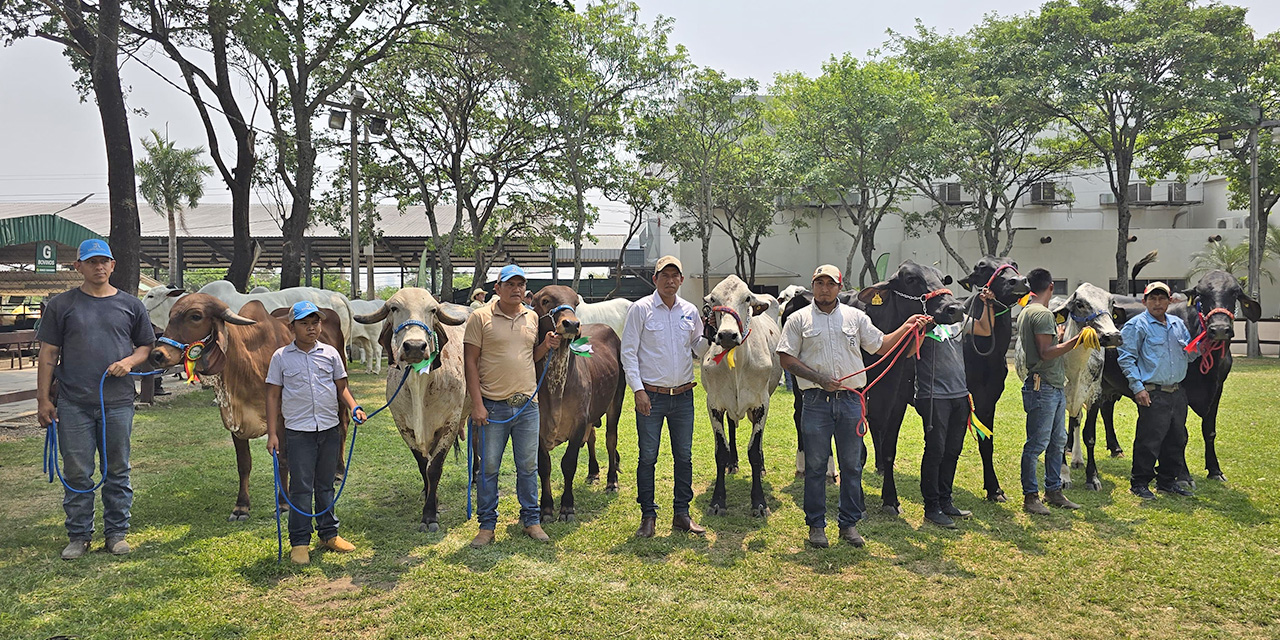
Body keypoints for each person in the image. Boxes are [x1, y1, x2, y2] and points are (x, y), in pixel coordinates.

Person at [777, 265, 929, 548]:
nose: (824, 288)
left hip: (850, 401)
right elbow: (786, 359)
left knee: (851, 466)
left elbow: (881, 346)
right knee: (816, 467)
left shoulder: (857, 317)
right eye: (819, 283)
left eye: (830, 284)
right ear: (812, 286)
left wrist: (908, 328)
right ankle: (816, 526)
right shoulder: (798, 320)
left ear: (839, 286)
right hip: (815, 402)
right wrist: (818, 378)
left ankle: (848, 524)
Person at [36, 239, 155, 560]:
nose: (99, 267)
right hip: (73, 402)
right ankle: (79, 535)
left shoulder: (132, 305)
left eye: (104, 261)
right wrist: (43, 399)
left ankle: (116, 533)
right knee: (77, 471)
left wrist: (129, 362)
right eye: (91, 262)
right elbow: (48, 353)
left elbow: (145, 346)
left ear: (113, 265)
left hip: (116, 403)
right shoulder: (62, 305)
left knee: (118, 469)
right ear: (78, 267)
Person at [464, 264, 560, 548]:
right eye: (510, 284)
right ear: (498, 288)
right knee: (489, 467)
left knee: (528, 466)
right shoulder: (480, 318)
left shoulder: (531, 316)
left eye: (520, 284)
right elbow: (470, 362)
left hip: (527, 405)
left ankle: (531, 520)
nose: (516, 289)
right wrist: (477, 404)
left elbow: (532, 356)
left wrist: (546, 345)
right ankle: (486, 525)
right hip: (493, 406)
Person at [265, 301, 367, 565]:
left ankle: (329, 534)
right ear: (292, 327)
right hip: (298, 432)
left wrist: (354, 407)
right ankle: (299, 542)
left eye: (315, 323)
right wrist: (272, 434)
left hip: (329, 429)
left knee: (325, 485)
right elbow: (273, 396)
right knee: (301, 487)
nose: (311, 329)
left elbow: (341, 387)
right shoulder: (281, 358)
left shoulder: (331, 354)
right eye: (304, 324)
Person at [620, 256, 712, 538]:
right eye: (665, 276)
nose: (670, 280)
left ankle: (681, 514)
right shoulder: (641, 310)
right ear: (655, 280)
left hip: (684, 396)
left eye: (675, 276)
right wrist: (638, 390)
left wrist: (710, 332)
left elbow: (698, 348)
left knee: (683, 456)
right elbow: (629, 353)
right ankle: (648, 516)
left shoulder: (690, 311)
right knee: (648, 457)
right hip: (652, 397)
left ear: (682, 280)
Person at [914, 288, 995, 528]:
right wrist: (923, 327)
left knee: (953, 450)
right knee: (936, 450)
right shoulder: (923, 326)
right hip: (933, 397)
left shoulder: (957, 325)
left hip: (960, 395)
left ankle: (945, 500)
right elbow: (910, 350)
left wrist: (987, 305)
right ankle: (931, 507)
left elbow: (984, 328)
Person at [1119, 282, 1200, 500]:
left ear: (1169, 301)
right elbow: (1126, 358)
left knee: (1177, 438)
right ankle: (1140, 483)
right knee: (1149, 439)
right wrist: (1138, 388)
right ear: (1144, 302)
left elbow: (1188, 354)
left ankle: (1167, 481)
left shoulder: (1177, 324)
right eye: (1152, 299)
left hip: (1177, 392)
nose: (1157, 303)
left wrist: (1203, 345)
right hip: (1153, 392)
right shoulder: (1137, 325)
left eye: (1162, 298)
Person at [1016, 268, 1084, 516]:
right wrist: (1077, 341)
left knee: (1057, 442)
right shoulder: (1043, 314)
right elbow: (1045, 352)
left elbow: (1044, 345)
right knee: (1037, 444)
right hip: (1043, 386)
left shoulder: (1027, 311)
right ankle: (1031, 496)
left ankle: (1053, 490)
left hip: (1049, 386)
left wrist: (1060, 338)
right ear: (1051, 287)